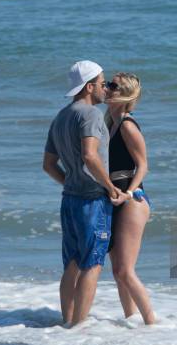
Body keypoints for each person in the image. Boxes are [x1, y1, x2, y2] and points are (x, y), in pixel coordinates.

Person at [43, 60, 126, 327]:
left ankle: (67, 322)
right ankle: (78, 326)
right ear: (89, 87)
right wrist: (109, 187)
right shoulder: (90, 115)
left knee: (73, 262)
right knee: (92, 264)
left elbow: (48, 165)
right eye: (103, 84)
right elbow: (91, 156)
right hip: (92, 200)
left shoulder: (61, 116)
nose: (106, 89)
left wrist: (70, 181)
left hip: (70, 198)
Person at [104, 72, 155, 325]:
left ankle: (152, 324)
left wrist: (131, 191)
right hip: (113, 198)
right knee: (117, 272)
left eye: (112, 85)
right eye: (106, 84)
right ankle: (131, 321)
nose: (106, 87)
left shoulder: (127, 124)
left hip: (133, 200)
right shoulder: (110, 122)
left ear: (123, 93)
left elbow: (143, 165)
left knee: (125, 270)